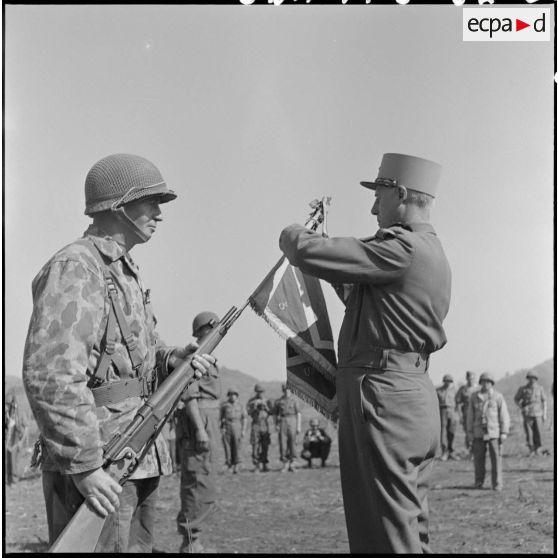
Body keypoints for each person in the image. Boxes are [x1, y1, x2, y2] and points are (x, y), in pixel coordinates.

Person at [21, 153, 215, 553]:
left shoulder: (122, 269)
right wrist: (86, 466)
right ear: (116, 205)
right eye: (150, 201)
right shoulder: (77, 266)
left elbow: (135, 351)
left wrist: (172, 359)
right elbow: (51, 375)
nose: (159, 213)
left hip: (135, 452)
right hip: (99, 459)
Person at [279, 152, 451, 552]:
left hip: (383, 395)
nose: (374, 207)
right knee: (403, 527)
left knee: (385, 532)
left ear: (402, 194)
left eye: (380, 196)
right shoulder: (424, 251)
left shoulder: (401, 248)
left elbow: (304, 252)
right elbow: (360, 292)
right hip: (405, 393)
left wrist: (294, 233)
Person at [175, 311, 222, 554]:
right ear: (204, 330)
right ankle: (190, 542)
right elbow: (190, 397)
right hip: (199, 424)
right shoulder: (195, 357)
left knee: (207, 482)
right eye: (213, 328)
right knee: (196, 481)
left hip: (209, 421)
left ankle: (195, 539)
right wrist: (200, 430)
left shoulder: (208, 356)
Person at [466, 372, 510, 491]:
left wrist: (504, 432)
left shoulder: (497, 396)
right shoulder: (474, 397)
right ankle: (479, 482)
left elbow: (504, 415)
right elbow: (470, 416)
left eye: (488, 382)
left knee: (496, 459)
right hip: (478, 433)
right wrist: (469, 433)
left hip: (494, 433)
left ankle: (497, 484)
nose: (485, 384)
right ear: (480, 383)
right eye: (483, 382)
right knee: (478, 460)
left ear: (492, 383)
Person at [513, 370, 548, 456]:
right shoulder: (523, 389)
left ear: (536, 379)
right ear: (527, 379)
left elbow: (544, 401)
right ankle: (531, 449)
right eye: (530, 378)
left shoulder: (540, 388)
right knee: (529, 433)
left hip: (538, 413)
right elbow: (516, 399)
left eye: (533, 378)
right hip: (527, 414)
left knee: (538, 432)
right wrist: (522, 407)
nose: (532, 380)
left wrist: (545, 414)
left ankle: (538, 449)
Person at [273, 383, 301, 473]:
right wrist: (276, 424)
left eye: (288, 390)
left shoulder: (294, 401)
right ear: (283, 390)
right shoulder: (278, 402)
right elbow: (274, 414)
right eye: (285, 390)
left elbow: (298, 414)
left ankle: (292, 463)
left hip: (292, 420)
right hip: (282, 421)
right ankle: (285, 463)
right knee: (283, 442)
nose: (287, 391)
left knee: (292, 441)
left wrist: (298, 426)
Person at [246, 384, 273, 472]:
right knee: (255, 446)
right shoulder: (252, 401)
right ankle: (257, 465)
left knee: (265, 446)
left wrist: (265, 407)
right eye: (258, 392)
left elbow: (272, 412)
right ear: (256, 392)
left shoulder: (267, 401)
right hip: (256, 425)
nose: (260, 393)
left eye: (261, 392)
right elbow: (248, 412)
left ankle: (264, 464)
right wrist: (254, 408)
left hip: (265, 425)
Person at [219, 387, 247, 474]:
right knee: (227, 446)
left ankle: (236, 465)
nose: (232, 396)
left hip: (237, 426)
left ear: (237, 396)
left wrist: (243, 430)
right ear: (229, 396)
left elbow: (245, 418)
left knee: (237, 445)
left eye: (234, 395)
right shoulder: (224, 405)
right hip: (227, 427)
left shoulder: (240, 405)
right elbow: (220, 418)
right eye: (231, 395)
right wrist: (221, 428)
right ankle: (229, 464)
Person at [455, 370, 479, 457]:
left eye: (472, 379)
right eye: (469, 379)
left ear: (475, 379)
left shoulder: (478, 389)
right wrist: (460, 416)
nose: (470, 380)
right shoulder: (463, 389)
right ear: (466, 379)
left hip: (477, 414)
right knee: (468, 433)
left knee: (477, 432)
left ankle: (477, 451)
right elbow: (457, 402)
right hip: (466, 414)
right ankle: (470, 451)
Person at [436, 374, 459, 461]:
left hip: (452, 410)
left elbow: (458, 402)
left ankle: (451, 451)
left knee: (451, 431)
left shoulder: (455, 391)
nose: (448, 383)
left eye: (450, 381)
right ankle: (444, 452)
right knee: (443, 432)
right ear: (444, 381)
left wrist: (457, 414)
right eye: (447, 381)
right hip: (442, 410)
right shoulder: (438, 390)